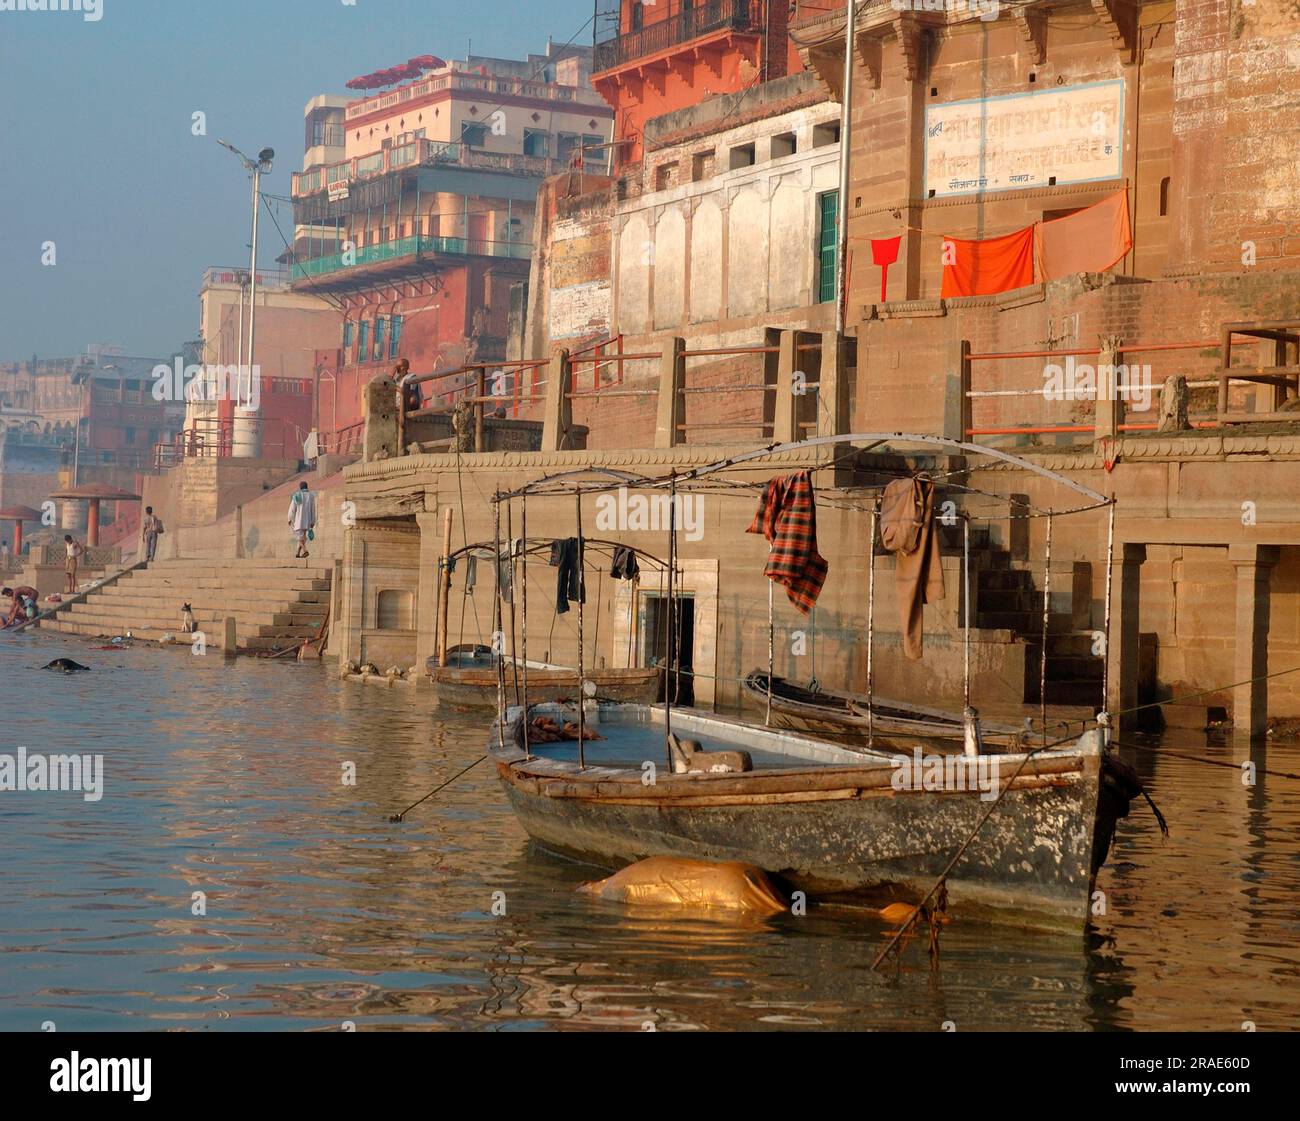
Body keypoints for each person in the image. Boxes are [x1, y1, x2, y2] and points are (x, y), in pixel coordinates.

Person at [288, 480, 317, 559]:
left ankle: (305, 551)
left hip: (299, 520)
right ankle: (297, 554)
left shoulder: (297, 495)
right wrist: (313, 520)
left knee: (299, 538)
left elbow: (292, 509)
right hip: (308, 520)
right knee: (302, 538)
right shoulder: (311, 496)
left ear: (300, 487)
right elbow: (313, 509)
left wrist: (289, 518)